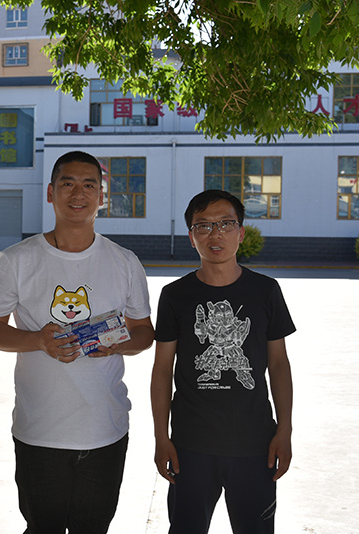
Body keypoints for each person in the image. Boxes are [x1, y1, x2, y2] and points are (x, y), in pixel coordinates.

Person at [0, 150, 155, 533]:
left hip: (105, 429)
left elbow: (144, 332)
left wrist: (116, 345)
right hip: (39, 431)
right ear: (50, 193)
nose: (78, 193)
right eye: (68, 183)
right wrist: (37, 340)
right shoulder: (17, 259)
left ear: (102, 196)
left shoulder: (124, 261)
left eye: (89, 185)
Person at [151, 189, 295, 533]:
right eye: (203, 226)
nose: (215, 234)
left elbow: (279, 365)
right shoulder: (175, 295)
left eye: (226, 224)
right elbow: (162, 370)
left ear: (240, 232)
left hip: (254, 443)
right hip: (190, 445)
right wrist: (160, 437)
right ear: (191, 237)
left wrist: (285, 429)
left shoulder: (266, 291)